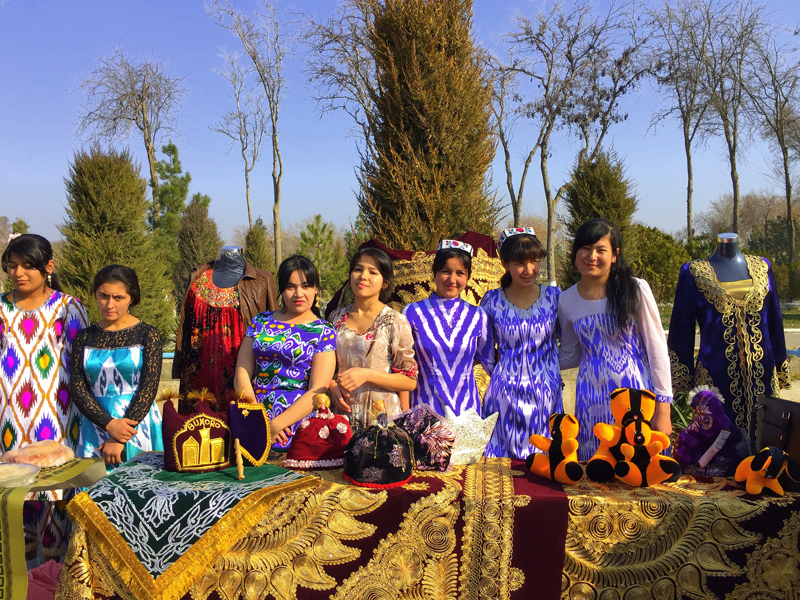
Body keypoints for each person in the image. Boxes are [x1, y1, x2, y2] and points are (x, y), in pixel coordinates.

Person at [0, 233, 89, 564]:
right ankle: (19, 577)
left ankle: (56, 574)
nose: (19, 273)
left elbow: (82, 364)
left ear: (48, 267)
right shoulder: (0, 308)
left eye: (27, 266)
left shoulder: (69, 308)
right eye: (12, 266)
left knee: (56, 487)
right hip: (9, 416)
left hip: (58, 412)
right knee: (14, 487)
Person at [558, 218, 673, 461]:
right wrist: (527, 359)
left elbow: (657, 349)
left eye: (601, 250)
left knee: (639, 472)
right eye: (585, 249)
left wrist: (663, 408)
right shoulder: (566, 300)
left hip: (636, 401)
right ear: (576, 253)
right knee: (597, 476)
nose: (592, 256)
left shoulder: (636, 289)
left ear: (614, 255)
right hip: (590, 402)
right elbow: (570, 355)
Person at [234, 255, 336, 449]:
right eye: (290, 287)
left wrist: (276, 425)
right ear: (281, 289)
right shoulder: (260, 322)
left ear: (316, 289)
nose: (298, 293)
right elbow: (242, 371)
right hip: (254, 419)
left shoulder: (324, 331)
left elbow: (318, 389)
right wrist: (258, 419)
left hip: (297, 427)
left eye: (305, 286)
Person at [70, 265, 163, 468]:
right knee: (93, 493)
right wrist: (109, 424)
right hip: (95, 423)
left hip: (138, 425)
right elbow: (78, 388)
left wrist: (120, 437)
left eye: (118, 297)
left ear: (132, 298)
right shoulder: (85, 337)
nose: (109, 304)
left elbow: (149, 388)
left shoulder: (148, 334)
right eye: (103, 296)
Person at [480, 228, 562, 459]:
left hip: (546, 397)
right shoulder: (492, 301)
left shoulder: (555, 297)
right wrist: (500, 375)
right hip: (504, 397)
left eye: (534, 261)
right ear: (504, 263)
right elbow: (484, 348)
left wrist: (552, 373)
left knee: (546, 464)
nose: (529, 270)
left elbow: (569, 342)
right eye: (520, 263)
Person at [173, 246, 277, 403]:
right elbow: (185, 324)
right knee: (199, 424)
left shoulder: (262, 280)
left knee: (241, 420)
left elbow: (274, 327)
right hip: (198, 373)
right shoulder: (197, 277)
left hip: (243, 371)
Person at [403, 240, 495, 416]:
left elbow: (492, 365)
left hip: (468, 416)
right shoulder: (412, 313)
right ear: (435, 272)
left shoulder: (478, 316)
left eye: (460, 273)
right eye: (445, 271)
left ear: (468, 277)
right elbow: (403, 369)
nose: (452, 280)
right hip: (425, 417)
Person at [329, 247, 417, 426]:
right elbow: (327, 370)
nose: (363, 276)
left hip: (382, 423)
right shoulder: (335, 319)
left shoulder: (395, 321)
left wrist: (367, 375)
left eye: (373, 272)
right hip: (341, 419)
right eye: (358, 269)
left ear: (385, 282)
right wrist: (331, 387)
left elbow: (409, 381)